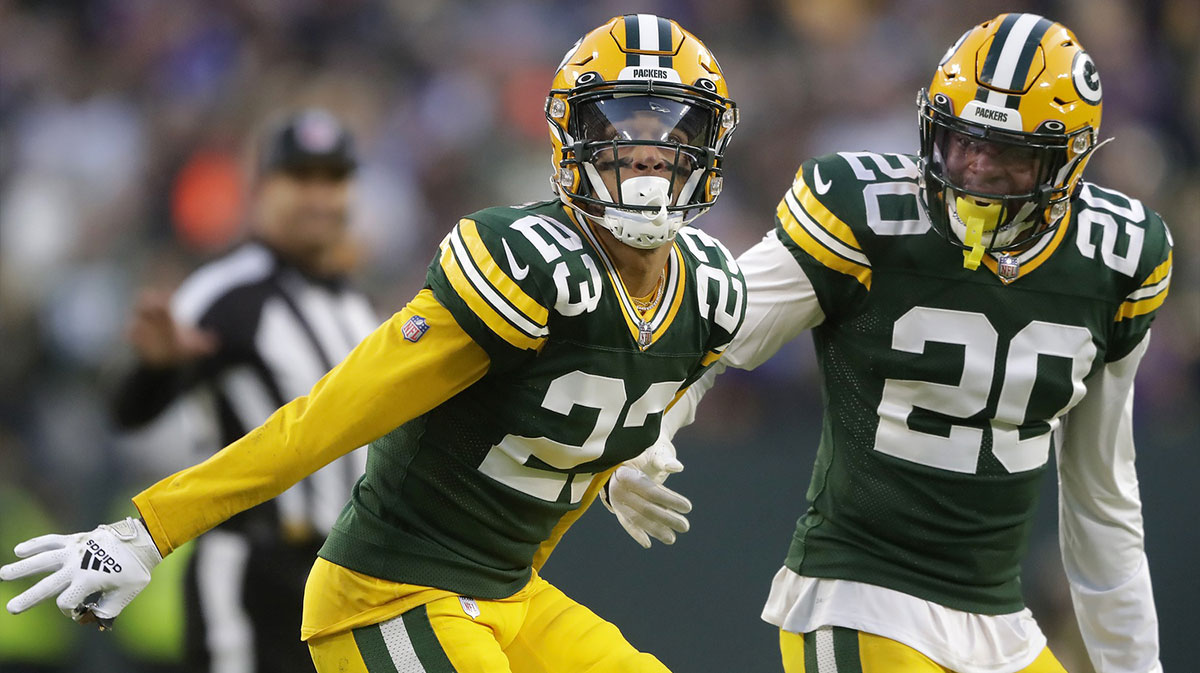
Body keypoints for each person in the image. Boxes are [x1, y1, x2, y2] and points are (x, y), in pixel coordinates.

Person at [1, 14, 744, 673]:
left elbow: (603, 397)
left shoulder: (709, 293)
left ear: (709, 147)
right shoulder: (525, 262)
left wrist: (621, 462)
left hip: (506, 593)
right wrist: (150, 531)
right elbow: (330, 414)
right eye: (623, 127)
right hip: (392, 592)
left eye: (675, 132)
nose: (650, 156)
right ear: (571, 135)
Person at [610, 12, 1170, 673]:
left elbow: (1102, 499)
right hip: (860, 596)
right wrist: (645, 427)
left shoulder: (1117, 260)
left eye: (1009, 153)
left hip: (1003, 625)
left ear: (1068, 161)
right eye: (962, 139)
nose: (975, 168)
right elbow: (712, 326)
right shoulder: (868, 211)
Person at [110, 107, 378, 672]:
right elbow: (132, 413)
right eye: (301, 177)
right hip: (252, 570)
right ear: (262, 188)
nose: (319, 196)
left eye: (333, 178)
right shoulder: (229, 292)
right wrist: (158, 369)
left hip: (341, 577)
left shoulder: (351, 304)